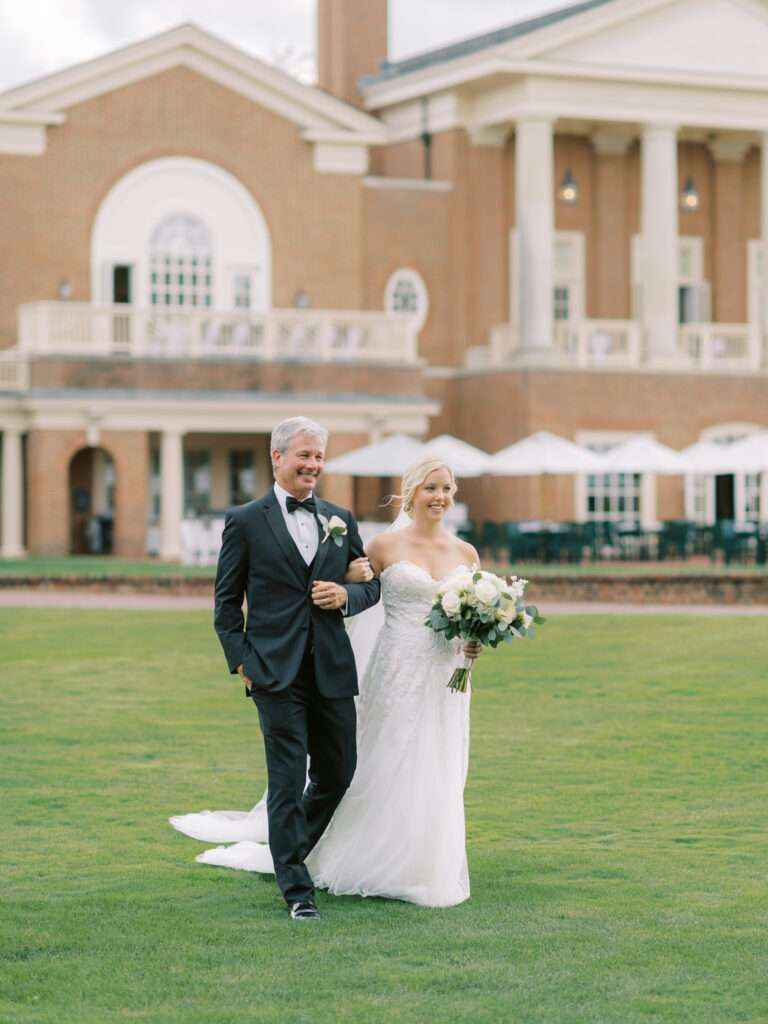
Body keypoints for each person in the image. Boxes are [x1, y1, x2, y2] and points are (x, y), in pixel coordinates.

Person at [171, 456, 481, 909]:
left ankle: (423, 861)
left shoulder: (467, 554)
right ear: (412, 491)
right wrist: (341, 589)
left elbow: (466, 613)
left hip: (446, 674)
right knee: (380, 759)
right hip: (396, 669)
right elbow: (344, 581)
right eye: (431, 487)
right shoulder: (382, 544)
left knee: (435, 761)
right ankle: (344, 859)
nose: (440, 496)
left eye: (447, 488)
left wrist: (475, 641)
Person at [201, 416, 380, 922]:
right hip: (273, 673)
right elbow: (225, 603)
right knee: (285, 780)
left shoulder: (339, 517)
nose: (313, 465)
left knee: (338, 772)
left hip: (331, 670)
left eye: (319, 457)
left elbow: (371, 584)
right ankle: (297, 891)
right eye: (304, 455)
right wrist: (242, 662)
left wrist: (347, 594)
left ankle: (285, 849)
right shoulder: (246, 521)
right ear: (276, 457)